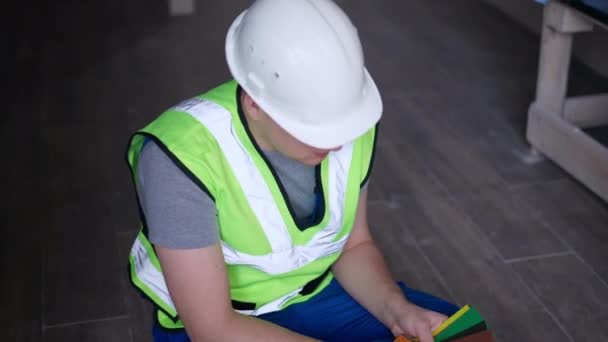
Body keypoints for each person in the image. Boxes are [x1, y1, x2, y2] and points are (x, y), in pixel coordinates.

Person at [126, 0, 459, 341]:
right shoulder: (180, 157)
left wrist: (396, 310)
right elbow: (212, 329)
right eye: (314, 129)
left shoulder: (352, 122)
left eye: (342, 125)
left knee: (453, 332)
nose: (336, 143)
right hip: (226, 323)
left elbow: (353, 247)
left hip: (316, 293)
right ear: (254, 103)